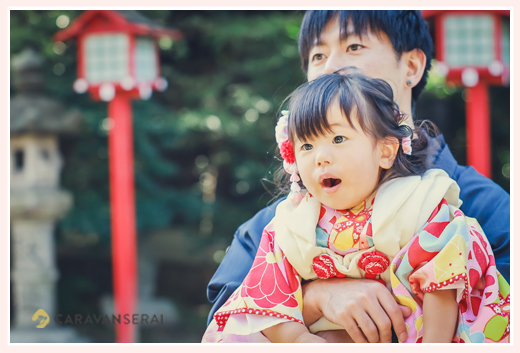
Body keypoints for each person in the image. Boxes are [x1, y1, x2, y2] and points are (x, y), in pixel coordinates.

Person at [207, 10, 510, 343]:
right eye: (318, 55)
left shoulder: (485, 208)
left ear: (411, 66)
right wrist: (316, 299)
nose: (330, 67)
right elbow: (221, 333)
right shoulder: (279, 225)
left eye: (353, 47)